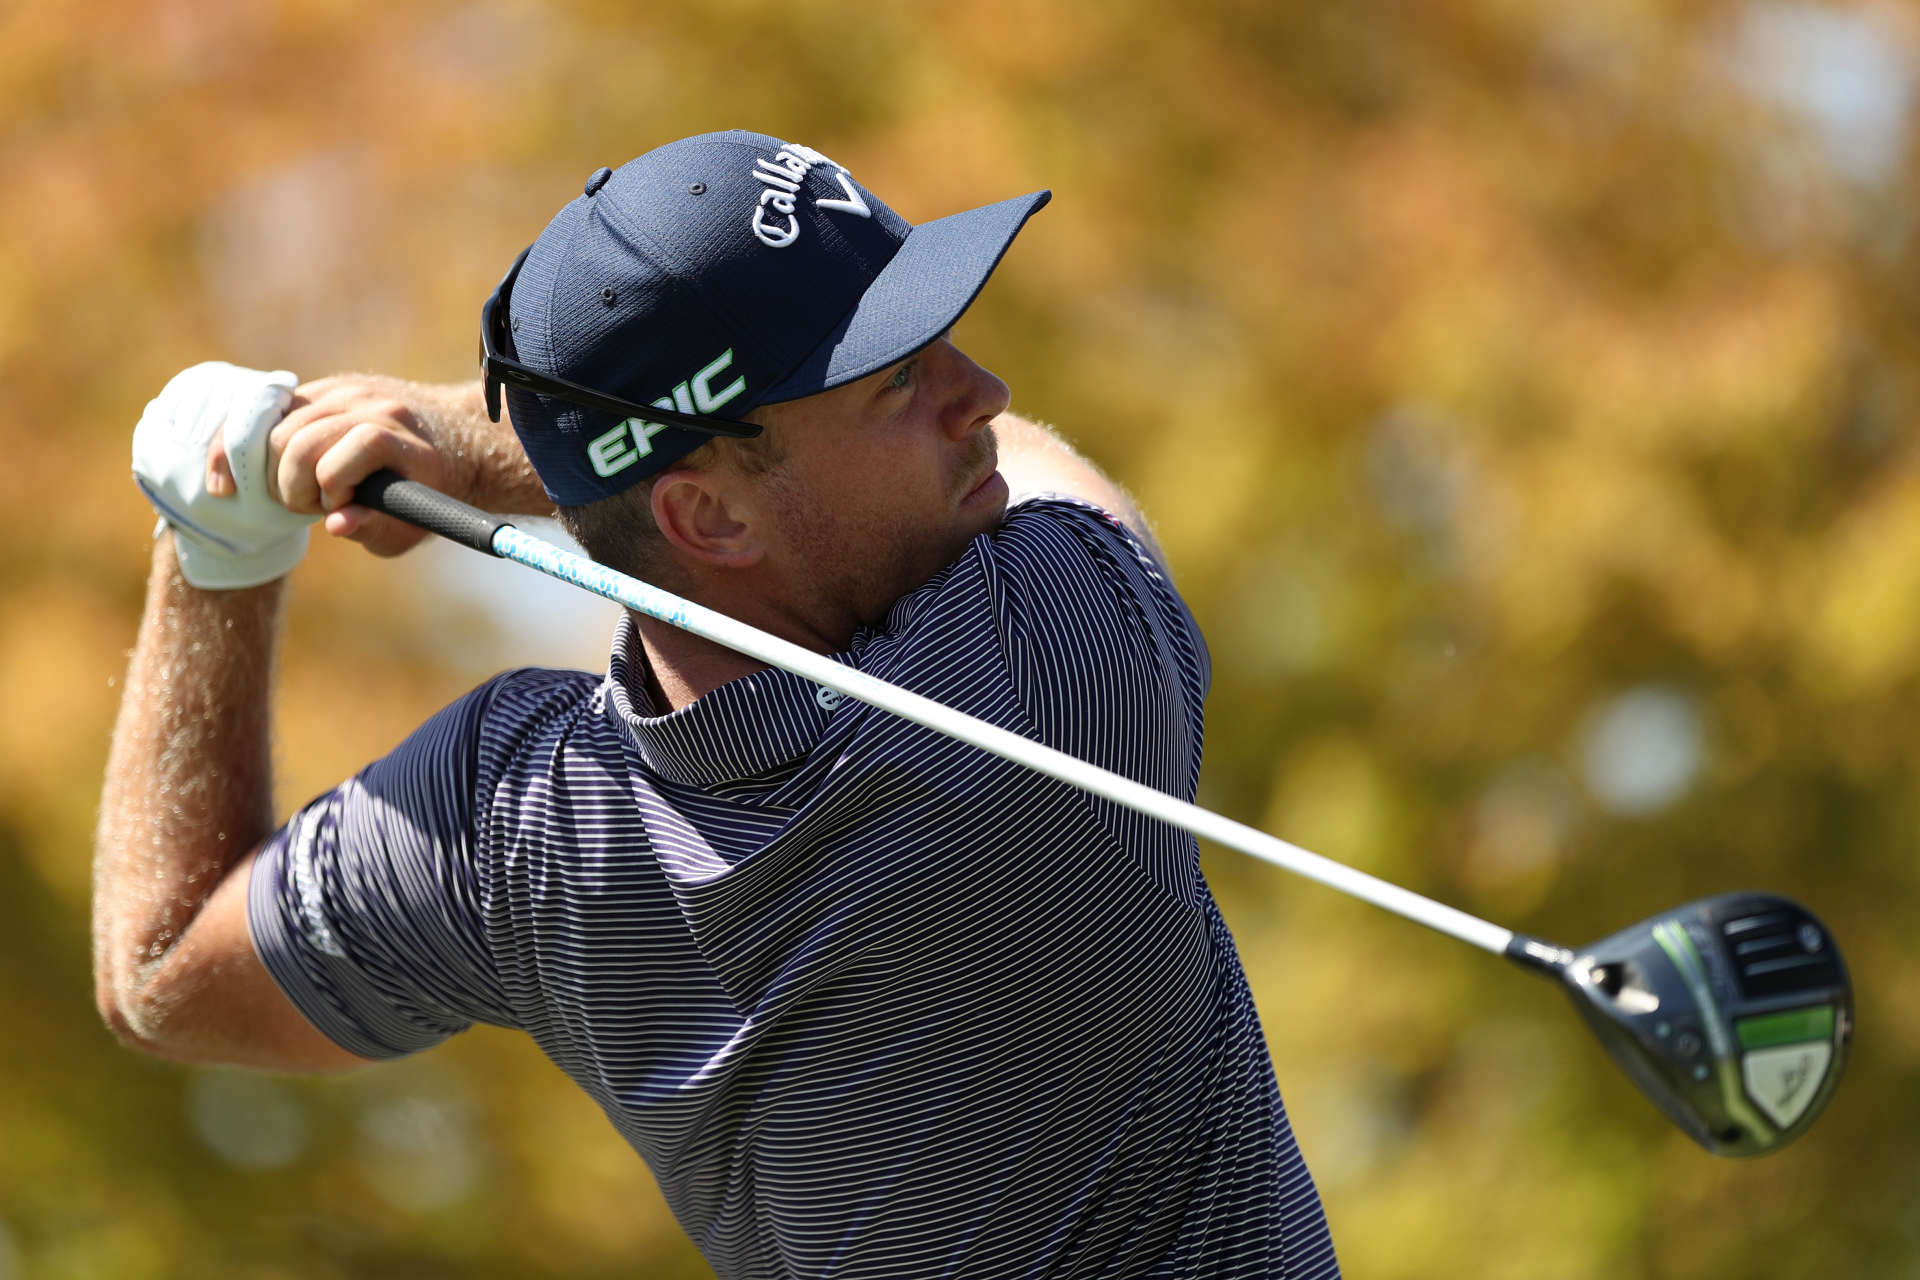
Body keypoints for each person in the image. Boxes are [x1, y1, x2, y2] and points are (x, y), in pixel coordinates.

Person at [96, 130, 1341, 1278]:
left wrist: (217, 550)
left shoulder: (509, 830)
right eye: (899, 380)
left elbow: (162, 971)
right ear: (709, 517)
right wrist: (468, 436)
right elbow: (1055, 474)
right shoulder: (1054, 679)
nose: (986, 394)